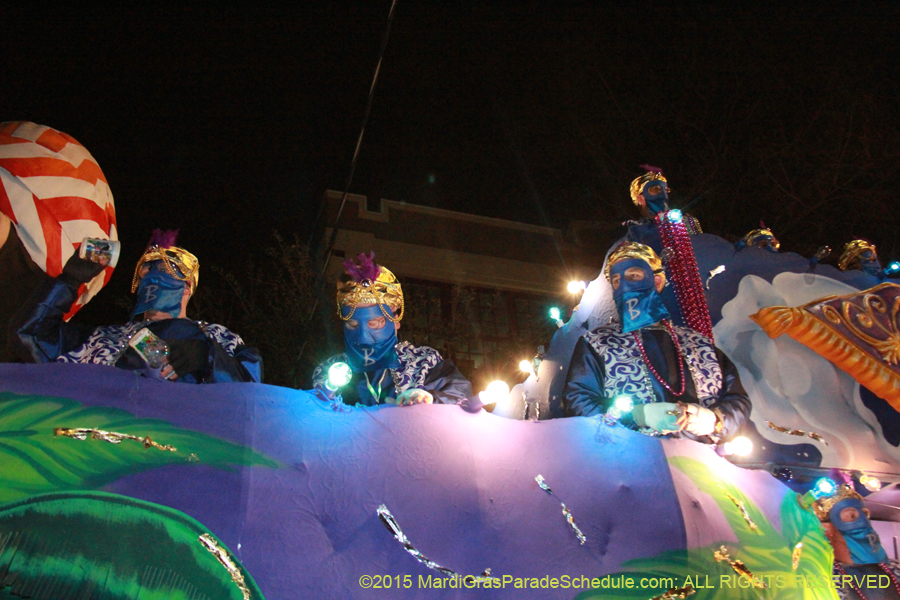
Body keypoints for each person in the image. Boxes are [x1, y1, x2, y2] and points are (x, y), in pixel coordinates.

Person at [16, 230, 262, 383]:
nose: (152, 276)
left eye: (165, 269)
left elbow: (253, 392)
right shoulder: (100, 338)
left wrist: (208, 357)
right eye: (146, 271)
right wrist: (69, 281)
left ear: (186, 287)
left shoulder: (219, 337)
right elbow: (31, 337)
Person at [563, 242, 750, 444]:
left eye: (634, 276)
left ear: (658, 281)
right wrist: (636, 416)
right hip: (627, 462)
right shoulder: (597, 343)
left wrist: (715, 420)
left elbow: (737, 398)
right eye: (616, 281)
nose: (624, 286)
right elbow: (577, 400)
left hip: (703, 465)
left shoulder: (699, 344)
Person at [312, 252, 472, 407]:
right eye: (352, 325)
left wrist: (429, 399)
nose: (364, 338)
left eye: (375, 323)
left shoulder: (423, 362)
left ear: (395, 321)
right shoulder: (332, 369)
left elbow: (460, 395)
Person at [810, 483, 900, 600]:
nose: (863, 521)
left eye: (865, 514)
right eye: (851, 516)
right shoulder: (820, 578)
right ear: (827, 529)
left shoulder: (895, 568)